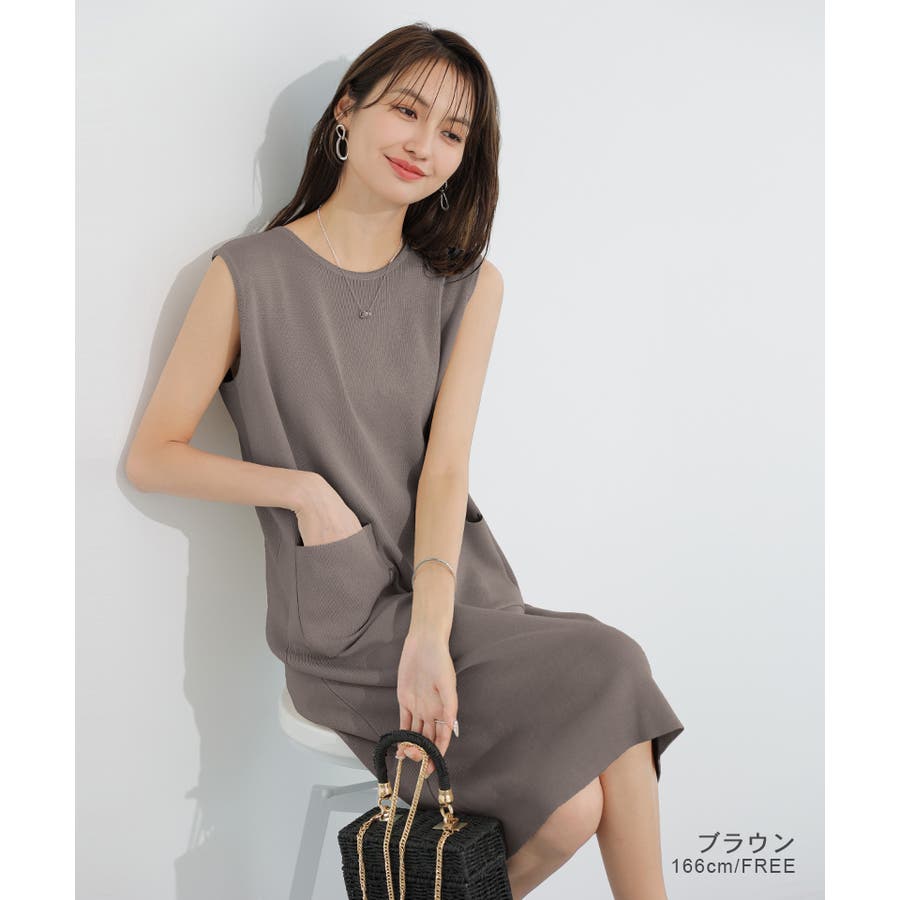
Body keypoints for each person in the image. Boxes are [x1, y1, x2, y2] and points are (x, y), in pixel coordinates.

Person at [126, 22, 685, 900]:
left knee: (576, 809)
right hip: (342, 624)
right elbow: (152, 455)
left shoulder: (467, 286)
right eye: (407, 111)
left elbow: (446, 469)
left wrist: (430, 632)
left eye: (453, 132)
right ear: (347, 110)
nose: (424, 145)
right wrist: (303, 492)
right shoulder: (248, 276)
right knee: (613, 661)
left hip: (453, 598)